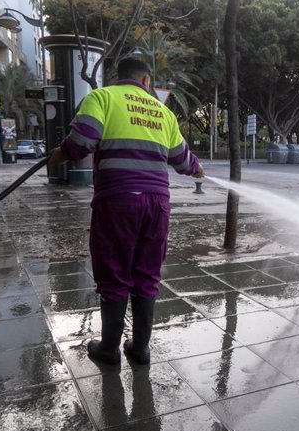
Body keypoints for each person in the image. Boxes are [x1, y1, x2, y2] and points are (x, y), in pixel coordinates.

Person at [48, 58, 204, 366]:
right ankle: (141, 349)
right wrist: (198, 170)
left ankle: (109, 349)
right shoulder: (163, 112)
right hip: (157, 205)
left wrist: (59, 155)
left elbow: (82, 140)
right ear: (146, 81)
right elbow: (183, 160)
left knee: (114, 271)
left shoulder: (103, 97)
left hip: (117, 201)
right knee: (147, 274)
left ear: (119, 77)